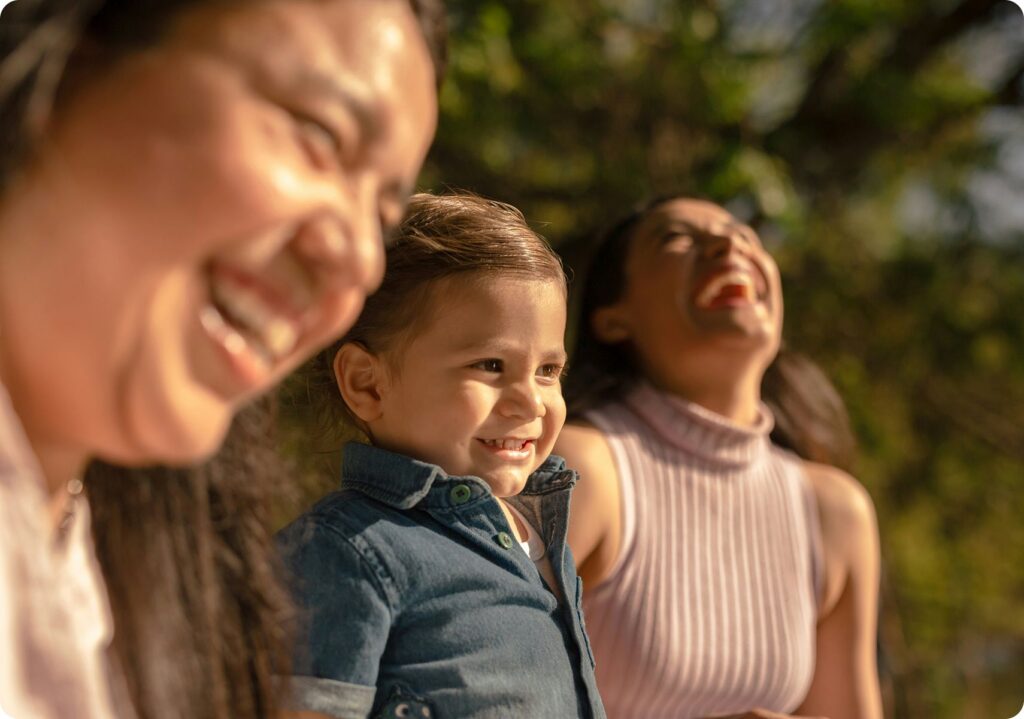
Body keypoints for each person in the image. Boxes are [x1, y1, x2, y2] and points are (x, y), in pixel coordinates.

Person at [0, 0, 444, 716]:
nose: (359, 260)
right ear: (79, 58)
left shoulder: (127, 589)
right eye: (320, 135)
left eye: (381, 221)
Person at [276, 192, 606, 719]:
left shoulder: (542, 541)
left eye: (548, 371)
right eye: (492, 365)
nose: (531, 401)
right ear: (368, 384)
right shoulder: (343, 553)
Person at [556, 196, 884, 719]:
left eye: (743, 232)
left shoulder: (835, 512)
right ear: (614, 319)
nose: (730, 243)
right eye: (677, 238)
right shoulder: (580, 469)